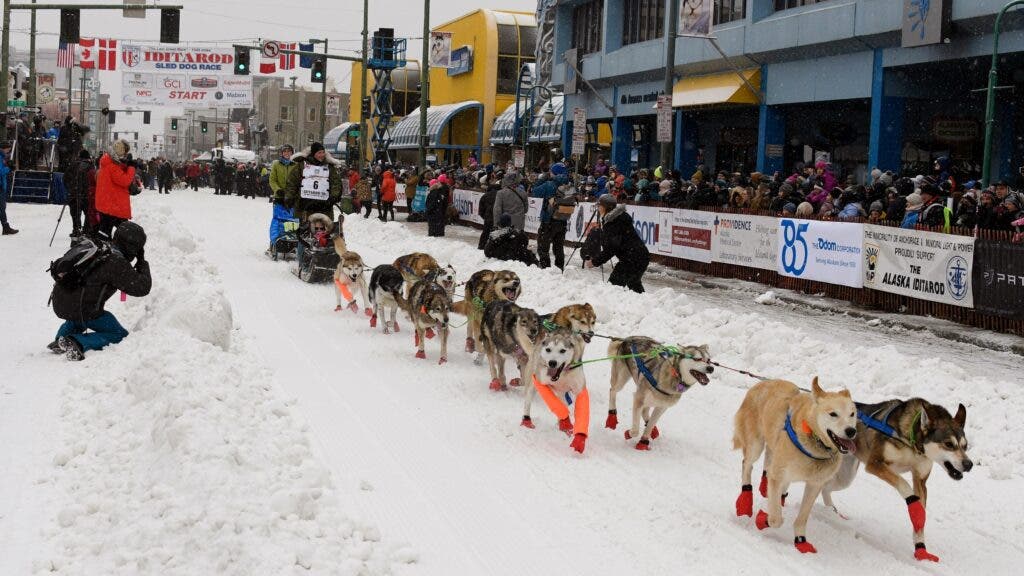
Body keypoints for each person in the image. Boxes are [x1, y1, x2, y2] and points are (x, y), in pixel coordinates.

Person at [48, 221, 152, 361]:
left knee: (80, 314)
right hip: (81, 309)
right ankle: (78, 342)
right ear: (131, 247)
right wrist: (142, 263)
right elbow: (141, 288)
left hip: (61, 301)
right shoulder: (116, 262)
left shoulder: (100, 247)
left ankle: (61, 337)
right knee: (118, 334)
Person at [585, 194, 649, 293]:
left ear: (606, 207)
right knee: (634, 285)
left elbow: (611, 249)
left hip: (632, 259)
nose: (598, 208)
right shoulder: (617, 218)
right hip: (639, 257)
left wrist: (594, 262)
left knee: (613, 288)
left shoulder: (613, 222)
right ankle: (646, 305)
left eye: (599, 206)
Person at [284, 142, 341, 223]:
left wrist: (334, 197)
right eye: (319, 153)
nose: (322, 155)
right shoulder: (301, 166)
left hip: (324, 206)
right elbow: (292, 183)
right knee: (304, 230)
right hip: (304, 205)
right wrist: (289, 197)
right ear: (313, 154)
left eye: (323, 152)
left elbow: (336, 183)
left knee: (324, 231)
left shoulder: (330, 168)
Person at [94, 140, 136, 237]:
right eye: (125, 152)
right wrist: (131, 168)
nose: (125, 155)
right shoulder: (112, 166)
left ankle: (104, 247)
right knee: (124, 233)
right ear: (120, 151)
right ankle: (106, 248)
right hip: (113, 206)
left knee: (105, 231)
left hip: (108, 204)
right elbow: (125, 181)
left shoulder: (107, 163)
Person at [532, 172, 570, 269]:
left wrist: (542, 179)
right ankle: (559, 267)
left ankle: (545, 267)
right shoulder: (568, 186)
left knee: (543, 246)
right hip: (563, 220)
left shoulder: (549, 184)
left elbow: (535, 192)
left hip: (548, 220)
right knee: (558, 246)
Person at [66, 149, 97, 238]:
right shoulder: (91, 166)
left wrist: (70, 188)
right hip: (86, 195)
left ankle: (76, 229)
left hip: (73, 194)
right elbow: (93, 180)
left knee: (75, 213)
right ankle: (85, 230)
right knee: (88, 213)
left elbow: (65, 178)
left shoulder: (73, 165)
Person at [477, 178, 499, 250]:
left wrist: (485, 216)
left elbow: (481, 210)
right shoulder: (500, 195)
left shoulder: (485, 196)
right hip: (497, 217)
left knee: (486, 232)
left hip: (488, 217)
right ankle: (494, 248)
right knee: (497, 233)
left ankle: (481, 246)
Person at [0, 141, 16, 235]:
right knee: (2, 208)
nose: (9, 151)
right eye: (8, 149)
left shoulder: (3, 157)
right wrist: (9, 168)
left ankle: (6, 227)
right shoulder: (0, 157)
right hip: (0, 185)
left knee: (2, 208)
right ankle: (6, 227)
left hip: (2, 185)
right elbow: (0, 172)